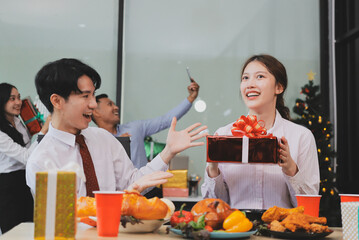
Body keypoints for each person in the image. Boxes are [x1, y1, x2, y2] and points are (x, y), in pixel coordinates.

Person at [26, 58, 207, 197]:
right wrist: (128, 192)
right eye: (85, 96)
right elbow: (63, 220)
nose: (93, 105)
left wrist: (168, 152)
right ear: (57, 101)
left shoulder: (103, 139)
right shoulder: (42, 160)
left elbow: (132, 181)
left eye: (93, 96)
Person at [201, 54, 320, 210]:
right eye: (245, 78)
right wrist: (213, 169)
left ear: (279, 87)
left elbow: (308, 207)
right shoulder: (224, 135)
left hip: (281, 230)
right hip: (236, 230)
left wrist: (291, 169)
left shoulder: (301, 137)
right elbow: (213, 207)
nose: (250, 84)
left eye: (260, 77)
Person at [92, 81, 199, 169]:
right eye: (110, 104)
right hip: (115, 192)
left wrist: (191, 98)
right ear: (96, 112)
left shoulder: (135, 128)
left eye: (114, 104)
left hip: (145, 189)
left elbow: (165, 121)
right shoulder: (94, 140)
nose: (116, 107)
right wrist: (119, 142)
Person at [0, 83, 50, 234]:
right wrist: (43, 131)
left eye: (19, 97)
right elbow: (26, 156)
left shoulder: (17, 121)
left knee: (30, 229)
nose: (18, 102)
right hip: (7, 185)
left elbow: (29, 149)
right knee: (13, 231)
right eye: (12, 99)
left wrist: (38, 128)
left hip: (24, 181)